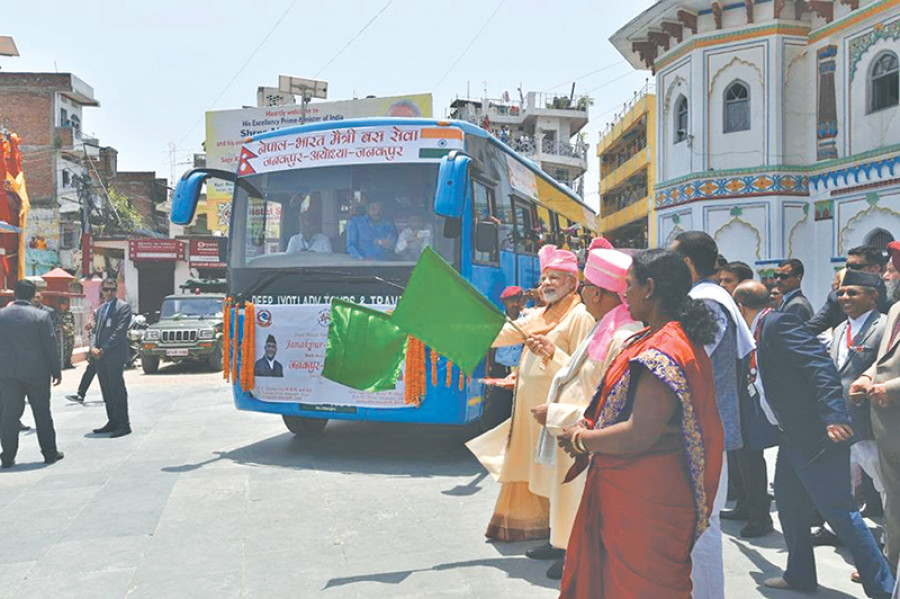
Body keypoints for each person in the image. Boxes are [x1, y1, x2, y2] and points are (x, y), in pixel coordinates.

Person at [557, 249, 724, 598]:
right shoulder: (657, 336)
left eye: (629, 286)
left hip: (646, 496)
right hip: (641, 488)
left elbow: (640, 432)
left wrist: (582, 439)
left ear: (649, 288)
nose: (625, 294)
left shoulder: (663, 348)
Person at [734, 280, 895, 597]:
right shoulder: (760, 328)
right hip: (792, 437)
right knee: (790, 505)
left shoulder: (778, 324)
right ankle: (799, 575)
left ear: (740, 307)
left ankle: (884, 589)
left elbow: (820, 365)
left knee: (840, 512)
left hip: (817, 437)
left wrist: (834, 415)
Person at [467, 244, 595, 542]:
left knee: (558, 477)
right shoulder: (541, 314)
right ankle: (550, 534)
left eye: (556, 278)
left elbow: (585, 371)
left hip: (558, 414)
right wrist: (455, 326)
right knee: (537, 473)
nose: (547, 283)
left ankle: (565, 543)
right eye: (545, 277)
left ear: (572, 283)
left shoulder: (580, 316)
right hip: (530, 413)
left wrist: (552, 354)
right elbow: (502, 332)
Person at [527, 248, 640, 579]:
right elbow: (579, 375)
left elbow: (611, 402)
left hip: (582, 430)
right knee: (565, 496)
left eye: (587, 286)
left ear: (601, 293)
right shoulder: (603, 325)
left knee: (580, 499)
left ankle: (575, 553)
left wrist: (558, 412)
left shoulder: (623, 335)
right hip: (569, 426)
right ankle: (561, 542)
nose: (582, 292)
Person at [672, 231, 755, 599]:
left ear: (687, 264)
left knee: (703, 526)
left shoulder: (706, 302)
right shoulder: (709, 297)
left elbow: (685, 362)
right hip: (705, 426)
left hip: (705, 427)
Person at [851, 242, 900, 586]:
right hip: (887, 424)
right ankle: (891, 569)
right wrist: (869, 376)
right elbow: (883, 359)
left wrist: (890, 387)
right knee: (893, 505)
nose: (886, 275)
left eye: (892, 269)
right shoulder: (896, 310)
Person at [725, 282, 780, 538]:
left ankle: (760, 517)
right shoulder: (753, 325)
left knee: (751, 459)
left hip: (758, 405)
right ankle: (745, 505)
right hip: (744, 403)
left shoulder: (770, 324)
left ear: (740, 307)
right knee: (741, 458)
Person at [0, 279, 63, 468]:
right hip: (37, 374)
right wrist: (56, 371)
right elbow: (50, 346)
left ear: (14, 294)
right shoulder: (41, 317)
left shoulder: (2, 316)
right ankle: (49, 453)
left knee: (9, 415)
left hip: (9, 374)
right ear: (33, 294)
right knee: (42, 413)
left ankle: (8, 455)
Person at [809, 246, 892, 335]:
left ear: (875, 268)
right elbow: (809, 330)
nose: (849, 271)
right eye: (847, 266)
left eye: (855, 266)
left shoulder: (890, 299)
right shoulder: (837, 298)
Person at [91, 278, 132, 438]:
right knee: (106, 390)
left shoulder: (123, 308)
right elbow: (95, 330)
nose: (109, 293)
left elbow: (119, 332)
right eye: (106, 289)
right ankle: (112, 420)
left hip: (114, 355)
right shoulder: (100, 309)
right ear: (102, 290)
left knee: (117, 389)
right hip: (100, 356)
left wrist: (104, 349)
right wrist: (93, 347)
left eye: (112, 290)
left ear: (116, 290)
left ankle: (123, 423)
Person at [66, 315, 97, 403]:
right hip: (95, 348)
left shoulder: (113, 312)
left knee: (109, 373)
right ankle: (81, 394)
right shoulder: (98, 312)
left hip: (107, 348)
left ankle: (114, 394)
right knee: (90, 370)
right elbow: (92, 331)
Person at [57, 298, 76, 369]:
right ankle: (62, 364)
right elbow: (56, 323)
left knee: (70, 349)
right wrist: (63, 327)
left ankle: (68, 363)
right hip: (62, 336)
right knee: (62, 350)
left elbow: (73, 322)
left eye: (66, 304)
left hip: (70, 335)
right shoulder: (57, 314)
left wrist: (72, 330)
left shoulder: (70, 313)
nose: (64, 306)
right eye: (63, 304)